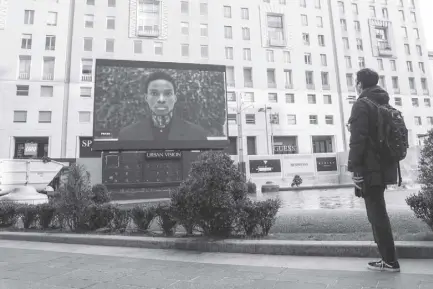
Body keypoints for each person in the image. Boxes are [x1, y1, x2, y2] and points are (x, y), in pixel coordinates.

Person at [347, 68, 400, 272]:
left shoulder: (362, 104)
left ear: (360, 84)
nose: (355, 85)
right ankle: (388, 258)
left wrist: (355, 169)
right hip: (384, 166)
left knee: (376, 214)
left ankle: (390, 261)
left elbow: (357, 141)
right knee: (378, 211)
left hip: (369, 169)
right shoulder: (382, 101)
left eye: (355, 81)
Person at [118, 71, 208, 141]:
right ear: (146, 98)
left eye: (168, 93)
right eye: (154, 93)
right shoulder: (127, 135)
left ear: (175, 98)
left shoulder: (197, 134)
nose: (161, 99)